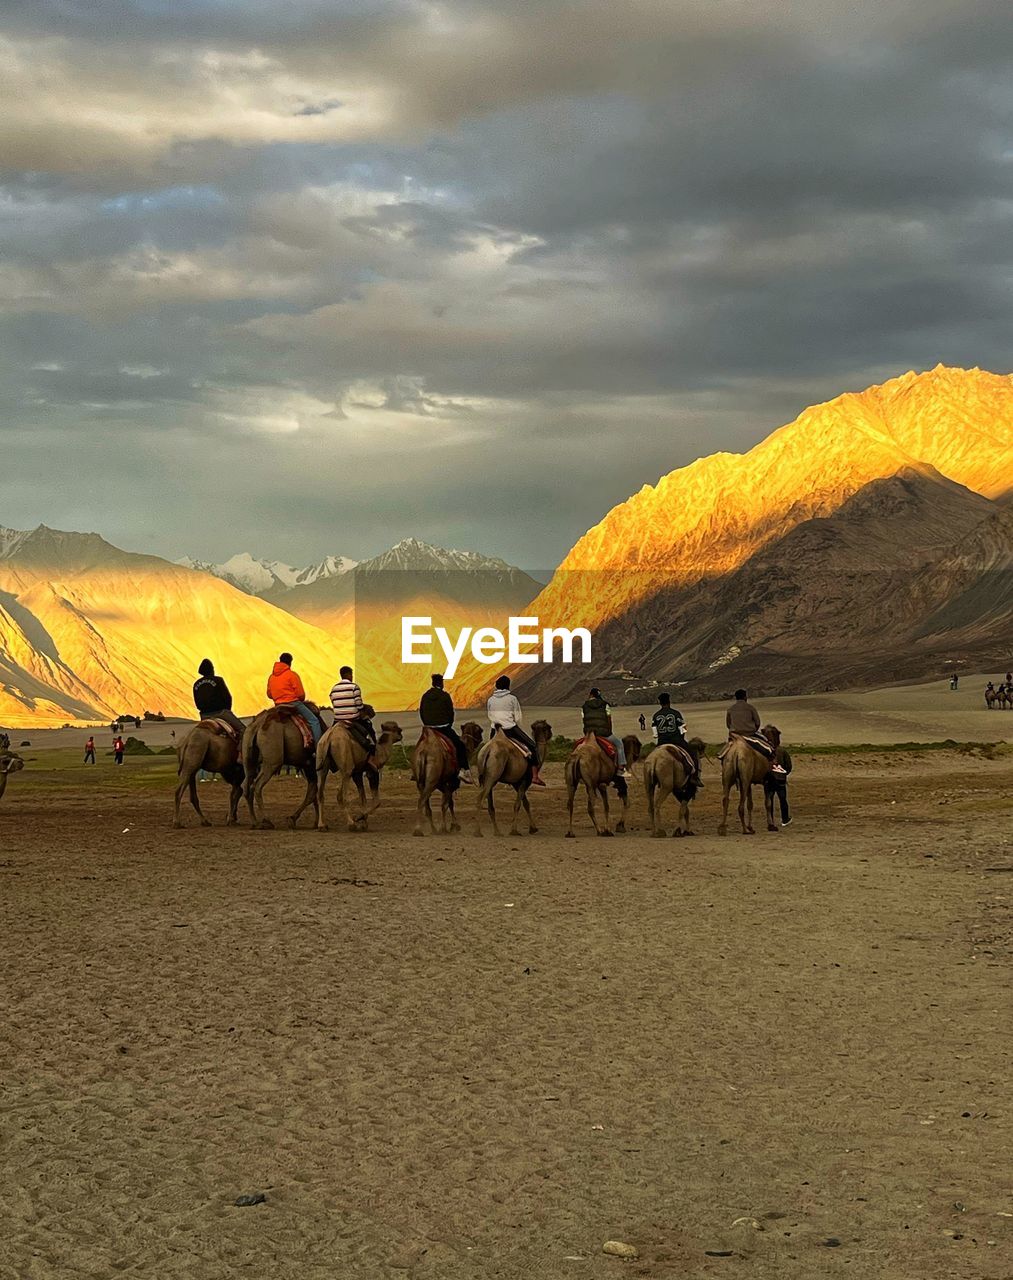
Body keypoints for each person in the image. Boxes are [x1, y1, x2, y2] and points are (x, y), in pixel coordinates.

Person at [487, 675, 545, 787]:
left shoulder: (490, 699)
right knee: (532, 747)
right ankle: (535, 776)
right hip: (509, 729)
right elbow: (518, 717)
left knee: (489, 750)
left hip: (495, 730)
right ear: (507, 686)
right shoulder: (512, 699)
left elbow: (490, 714)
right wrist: (517, 726)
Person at [419, 673, 474, 784]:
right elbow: (450, 713)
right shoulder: (445, 696)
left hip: (429, 728)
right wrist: (448, 724)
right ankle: (464, 771)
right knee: (459, 745)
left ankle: (416, 771)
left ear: (433, 683)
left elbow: (422, 712)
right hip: (443, 727)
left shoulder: (425, 696)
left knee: (419, 746)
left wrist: (427, 724)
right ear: (441, 683)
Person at [267, 652, 324, 746]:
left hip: (278, 705)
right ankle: (319, 748)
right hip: (293, 704)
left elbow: (269, 694)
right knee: (314, 721)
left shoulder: (271, 677)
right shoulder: (292, 675)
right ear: (290, 662)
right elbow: (301, 695)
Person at [580, 687, 631, 779]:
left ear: (590, 695)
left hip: (589, 734)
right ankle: (621, 768)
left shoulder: (584, 706)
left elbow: (584, 720)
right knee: (619, 744)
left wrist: (587, 732)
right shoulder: (605, 705)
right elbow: (609, 719)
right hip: (604, 733)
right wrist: (609, 731)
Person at [651, 692, 701, 783]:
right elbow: (683, 729)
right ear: (669, 702)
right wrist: (682, 738)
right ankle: (694, 777)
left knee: (652, 759)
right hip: (676, 740)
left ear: (660, 703)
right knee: (692, 753)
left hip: (662, 741)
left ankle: (653, 777)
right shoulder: (676, 713)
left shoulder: (655, 716)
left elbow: (655, 734)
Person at [329, 665, 377, 756]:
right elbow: (359, 705)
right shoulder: (354, 687)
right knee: (369, 727)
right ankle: (373, 750)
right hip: (352, 719)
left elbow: (333, 703)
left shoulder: (333, 689)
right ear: (349, 675)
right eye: (351, 675)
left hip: (338, 720)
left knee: (328, 735)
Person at [192, 658, 246, 737]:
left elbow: (197, 702)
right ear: (211, 669)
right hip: (221, 713)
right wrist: (227, 710)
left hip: (204, 716)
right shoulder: (218, 680)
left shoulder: (196, 684)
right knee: (243, 730)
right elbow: (227, 697)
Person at [763, 725, 793, 826]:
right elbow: (788, 766)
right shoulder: (782, 751)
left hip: (768, 779)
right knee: (783, 799)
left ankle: (770, 819)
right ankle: (785, 819)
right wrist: (783, 774)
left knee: (769, 799)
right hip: (780, 780)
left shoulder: (764, 752)